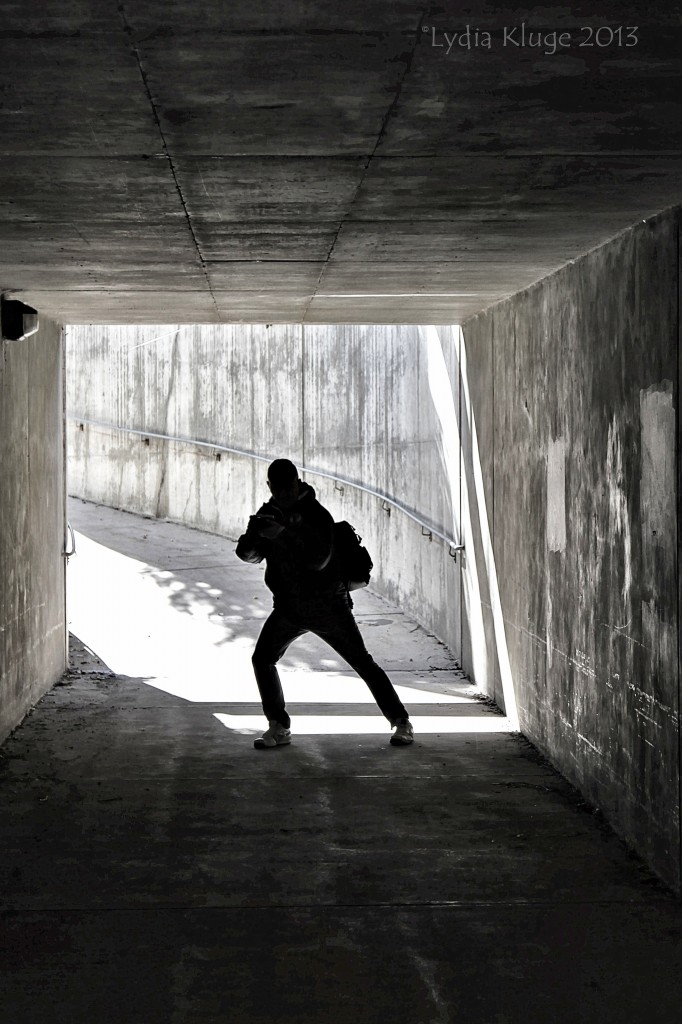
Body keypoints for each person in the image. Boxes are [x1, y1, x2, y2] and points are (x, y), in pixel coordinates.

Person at [236, 458, 414, 749]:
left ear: (297, 482)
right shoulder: (269, 513)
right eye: (277, 489)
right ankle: (278, 726)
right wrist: (256, 534)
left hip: (327, 606)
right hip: (289, 607)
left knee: (363, 663)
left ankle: (401, 722)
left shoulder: (316, 514)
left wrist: (282, 534)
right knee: (262, 659)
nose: (283, 495)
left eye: (288, 488)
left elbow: (317, 560)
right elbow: (248, 555)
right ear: (270, 487)